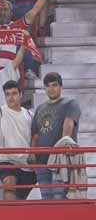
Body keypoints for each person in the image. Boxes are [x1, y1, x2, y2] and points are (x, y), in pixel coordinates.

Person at [31, 72, 81, 201]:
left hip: (61, 160)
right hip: (42, 161)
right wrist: (32, 153)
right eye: (48, 86)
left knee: (60, 198)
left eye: (54, 85)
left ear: (61, 87)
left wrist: (61, 150)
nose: (51, 89)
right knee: (46, 200)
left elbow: (68, 127)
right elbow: (35, 134)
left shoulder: (71, 103)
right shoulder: (40, 108)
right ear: (44, 88)